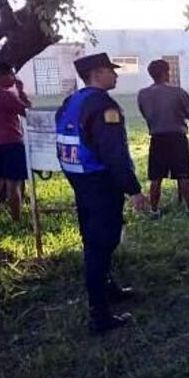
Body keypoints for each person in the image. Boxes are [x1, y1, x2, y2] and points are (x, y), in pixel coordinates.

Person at [55, 53, 147, 333]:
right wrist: (133, 190)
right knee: (101, 244)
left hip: (79, 179)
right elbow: (114, 154)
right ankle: (100, 314)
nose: (116, 75)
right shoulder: (103, 105)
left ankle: (108, 289)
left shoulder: (71, 101)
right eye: (111, 71)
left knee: (94, 239)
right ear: (97, 73)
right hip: (100, 182)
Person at [137, 59, 189, 218]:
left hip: (157, 138)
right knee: (183, 175)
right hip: (177, 137)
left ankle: (154, 210)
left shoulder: (143, 94)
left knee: (156, 177)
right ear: (165, 73)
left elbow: (145, 115)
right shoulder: (178, 92)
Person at [0, 62, 31, 220]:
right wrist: (20, 91)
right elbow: (26, 110)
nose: (14, 77)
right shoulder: (6, 95)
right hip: (11, 143)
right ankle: (16, 220)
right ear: (2, 75)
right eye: (11, 74)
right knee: (13, 185)